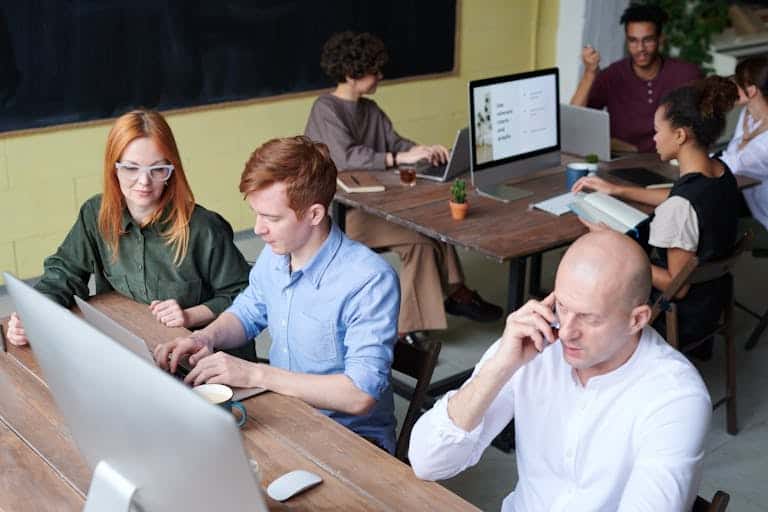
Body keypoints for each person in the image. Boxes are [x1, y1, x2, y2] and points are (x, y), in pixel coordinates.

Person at [409, 231, 711, 511]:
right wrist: (500, 365)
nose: (566, 332)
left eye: (589, 318)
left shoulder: (676, 397)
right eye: (562, 307)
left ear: (637, 319)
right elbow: (428, 461)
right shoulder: (534, 341)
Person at [153, 136, 401, 453]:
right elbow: (247, 312)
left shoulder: (368, 280)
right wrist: (205, 337)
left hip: (349, 441)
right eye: (256, 214)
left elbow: (359, 395)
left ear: (314, 214)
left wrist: (255, 374)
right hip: (287, 416)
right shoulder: (277, 254)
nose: (258, 229)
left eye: (271, 218)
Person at [304, 31, 502, 337]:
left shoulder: (370, 110)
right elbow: (345, 157)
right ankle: (406, 330)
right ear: (351, 74)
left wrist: (423, 151)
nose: (380, 76)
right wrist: (399, 158)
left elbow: (395, 143)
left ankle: (454, 294)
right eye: (374, 71)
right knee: (422, 240)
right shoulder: (325, 109)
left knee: (435, 227)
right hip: (342, 214)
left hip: (376, 204)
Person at [6, 110, 250, 346]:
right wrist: (34, 314)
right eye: (131, 168)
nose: (144, 181)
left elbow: (245, 293)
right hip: (137, 341)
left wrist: (190, 315)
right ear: (114, 168)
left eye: (157, 170)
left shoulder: (203, 227)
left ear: (171, 170)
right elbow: (64, 274)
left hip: (206, 353)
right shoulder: (96, 214)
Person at [572, 76, 740, 346]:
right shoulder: (720, 173)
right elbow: (683, 199)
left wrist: (617, 244)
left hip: (680, 317)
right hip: (712, 301)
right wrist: (618, 190)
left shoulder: (678, 208)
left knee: (597, 284)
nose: (654, 138)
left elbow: (678, 285)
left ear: (680, 135)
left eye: (657, 130)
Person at [570, 3, 701, 153]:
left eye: (648, 40)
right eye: (633, 40)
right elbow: (574, 122)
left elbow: (701, 127)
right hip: (621, 161)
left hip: (670, 163)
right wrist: (590, 73)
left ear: (661, 39)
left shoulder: (686, 74)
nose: (640, 49)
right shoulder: (613, 74)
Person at [721, 56, 768, 232]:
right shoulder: (748, 115)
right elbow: (730, 155)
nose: (732, 85)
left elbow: (734, 166)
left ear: (752, 89)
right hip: (753, 211)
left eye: (738, 81)